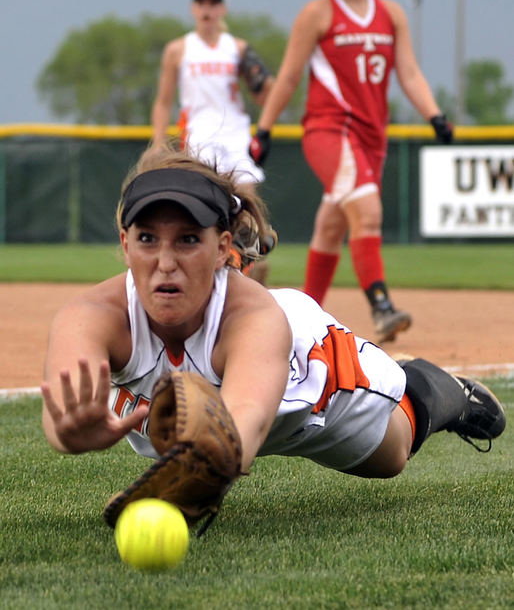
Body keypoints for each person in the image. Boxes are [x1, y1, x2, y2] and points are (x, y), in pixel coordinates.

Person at [41, 141, 504, 512]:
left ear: (221, 246)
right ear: (124, 244)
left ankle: (437, 387)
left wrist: (188, 484)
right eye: (146, 239)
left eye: (187, 240)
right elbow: (58, 415)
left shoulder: (256, 317)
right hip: (222, 405)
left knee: (393, 453)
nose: (164, 263)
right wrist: (68, 435)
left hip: (306, 382)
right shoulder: (92, 316)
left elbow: (245, 422)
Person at [251, 0, 454, 343]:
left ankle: (301, 316)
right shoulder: (318, 12)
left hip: (370, 137)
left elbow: (410, 72)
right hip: (329, 130)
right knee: (368, 210)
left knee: (331, 226)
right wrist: (265, 128)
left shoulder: (391, 13)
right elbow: (288, 77)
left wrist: (434, 114)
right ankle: (381, 305)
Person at [151, 0, 276, 282]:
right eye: (202, 4)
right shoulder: (179, 50)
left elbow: (265, 95)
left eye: (213, 4)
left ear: (222, 10)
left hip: (235, 132)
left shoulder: (238, 48)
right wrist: (158, 141)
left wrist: (266, 86)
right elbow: (164, 100)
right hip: (199, 132)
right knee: (207, 200)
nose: (207, 9)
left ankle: (249, 261)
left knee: (246, 198)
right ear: (194, 10)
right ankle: (217, 265)